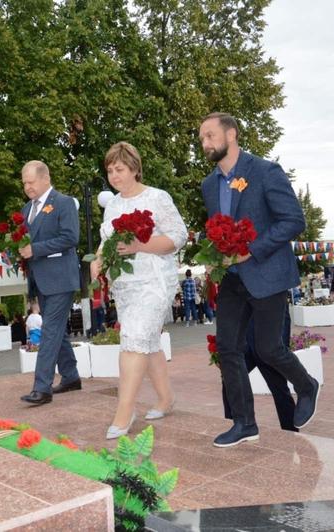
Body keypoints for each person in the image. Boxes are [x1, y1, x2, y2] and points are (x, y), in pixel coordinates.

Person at [199, 112, 320, 447]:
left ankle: (306, 385)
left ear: (231, 135)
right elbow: (219, 228)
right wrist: (214, 257)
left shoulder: (266, 171)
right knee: (228, 349)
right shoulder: (209, 185)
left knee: (268, 349)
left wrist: (251, 250)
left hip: (267, 273)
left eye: (210, 136)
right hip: (232, 278)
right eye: (202, 138)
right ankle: (244, 423)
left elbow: (293, 220)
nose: (205, 143)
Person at [90, 141, 188, 439]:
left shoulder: (157, 197)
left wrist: (139, 245)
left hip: (155, 281)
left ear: (134, 168)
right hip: (125, 286)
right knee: (147, 340)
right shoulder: (113, 205)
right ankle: (166, 398)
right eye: (110, 171)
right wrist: (98, 260)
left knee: (133, 339)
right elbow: (107, 241)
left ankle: (124, 411)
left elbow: (178, 237)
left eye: (119, 169)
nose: (114, 176)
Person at [18, 160, 81, 405]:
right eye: (24, 183)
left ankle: (42, 388)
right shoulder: (26, 209)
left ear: (45, 178)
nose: (27, 187)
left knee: (50, 331)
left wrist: (35, 249)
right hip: (40, 280)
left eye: (31, 182)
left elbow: (70, 237)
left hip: (61, 279)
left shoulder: (64, 203)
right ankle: (71, 376)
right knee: (57, 331)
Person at [221, 305, 297, 432]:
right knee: (229, 381)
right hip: (246, 349)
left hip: (268, 350)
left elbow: (284, 317)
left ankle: (291, 431)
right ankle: (235, 425)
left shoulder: (274, 292)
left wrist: (280, 350)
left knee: (280, 391)